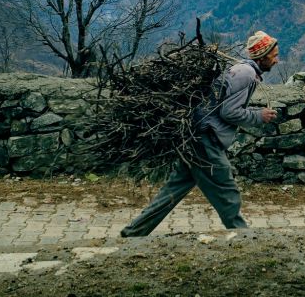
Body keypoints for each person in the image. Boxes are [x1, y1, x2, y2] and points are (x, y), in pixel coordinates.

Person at [120, 30, 280, 237]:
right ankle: (243, 237)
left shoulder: (240, 70)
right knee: (226, 190)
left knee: (174, 189)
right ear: (263, 55)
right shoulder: (246, 74)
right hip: (206, 140)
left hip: (195, 135)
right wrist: (259, 116)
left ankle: (133, 232)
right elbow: (229, 112)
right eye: (274, 55)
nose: (277, 60)